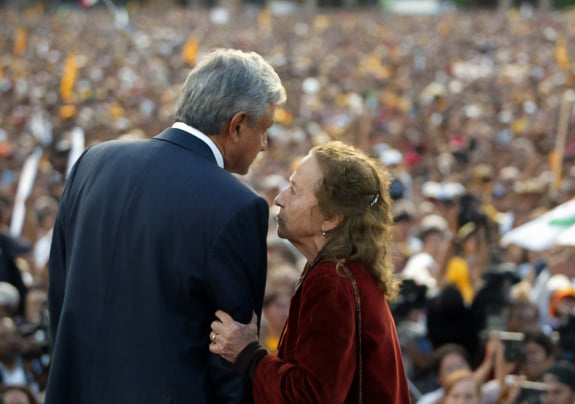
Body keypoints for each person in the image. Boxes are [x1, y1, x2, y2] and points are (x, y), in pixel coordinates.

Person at [46, 49, 286, 403]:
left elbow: (60, 294)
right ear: (236, 125)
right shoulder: (238, 205)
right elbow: (229, 353)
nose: (264, 144)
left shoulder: (93, 161)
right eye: (264, 130)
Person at [209, 141, 411, 402]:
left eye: (295, 190)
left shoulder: (332, 279)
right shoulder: (342, 266)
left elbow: (312, 396)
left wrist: (248, 353)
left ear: (331, 218)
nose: (280, 199)